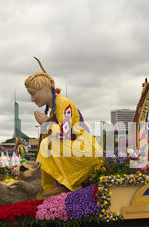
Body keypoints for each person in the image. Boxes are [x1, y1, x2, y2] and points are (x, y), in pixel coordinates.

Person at [25, 58, 102, 197]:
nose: (32, 99)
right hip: (78, 150)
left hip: (86, 153)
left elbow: (65, 134)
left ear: (45, 88)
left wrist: (46, 124)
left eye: (33, 93)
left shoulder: (63, 103)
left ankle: (66, 186)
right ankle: (54, 186)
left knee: (46, 145)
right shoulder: (53, 107)